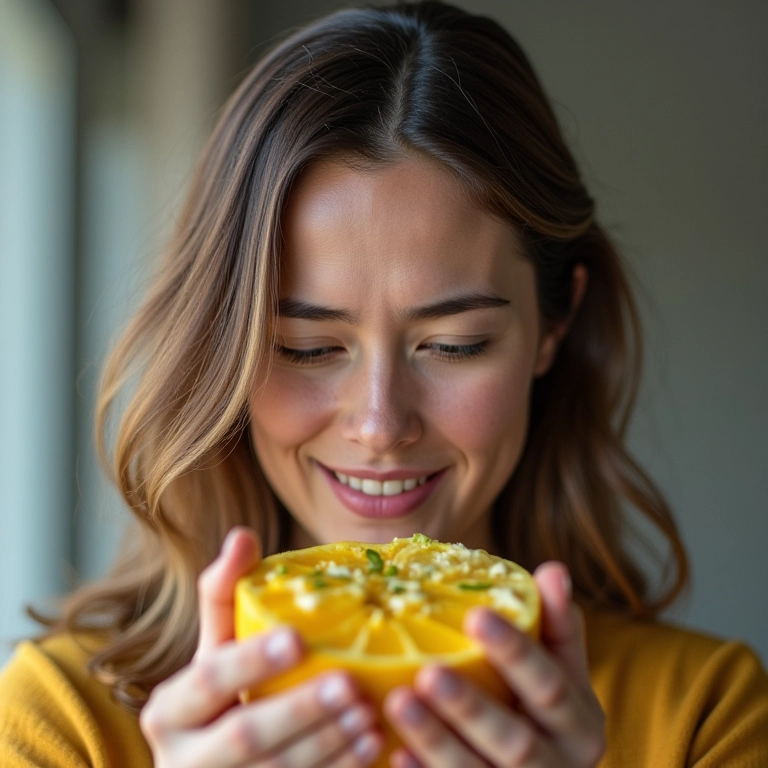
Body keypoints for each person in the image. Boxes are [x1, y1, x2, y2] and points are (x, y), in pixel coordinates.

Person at [1, 1, 767, 766]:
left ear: (553, 327)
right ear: (222, 348)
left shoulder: (705, 717)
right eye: (305, 348)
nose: (379, 424)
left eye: (454, 346)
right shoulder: (63, 721)